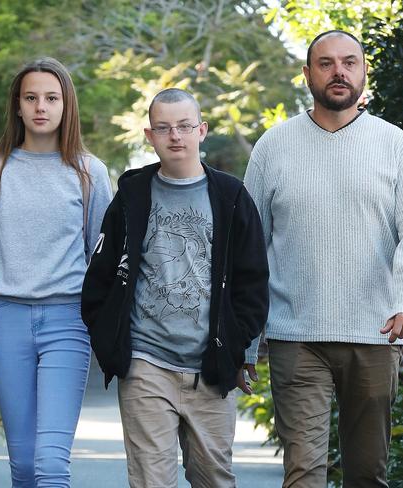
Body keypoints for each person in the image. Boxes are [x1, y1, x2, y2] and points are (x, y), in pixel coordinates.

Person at [244, 30, 403, 488]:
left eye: (349, 62)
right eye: (325, 63)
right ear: (307, 74)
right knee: (303, 472)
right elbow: (246, 249)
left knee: (367, 474)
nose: (339, 71)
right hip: (296, 335)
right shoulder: (273, 147)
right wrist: (244, 340)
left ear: (364, 72)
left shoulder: (395, 145)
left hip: (374, 332)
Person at [81, 88, 269, 488]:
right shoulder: (132, 196)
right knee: (151, 480)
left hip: (211, 366)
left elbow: (253, 281)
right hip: (146, 364)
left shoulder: (231, 197)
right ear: (150, 136)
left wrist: (235, 346)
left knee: (214, 478)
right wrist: (111, 344)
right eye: (164, 128)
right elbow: (100, 274)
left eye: (184, 126)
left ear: (201, 130)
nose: (175, 136)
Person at [0, 57, 112, 488]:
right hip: (6, 322)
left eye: (51, 97)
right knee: (24, 466)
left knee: (50, 464)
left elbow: (100, 261)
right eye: (31, 98)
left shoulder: (89, 173)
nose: (40, 106)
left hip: (67, 323)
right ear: (18, 106)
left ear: (67, 106)